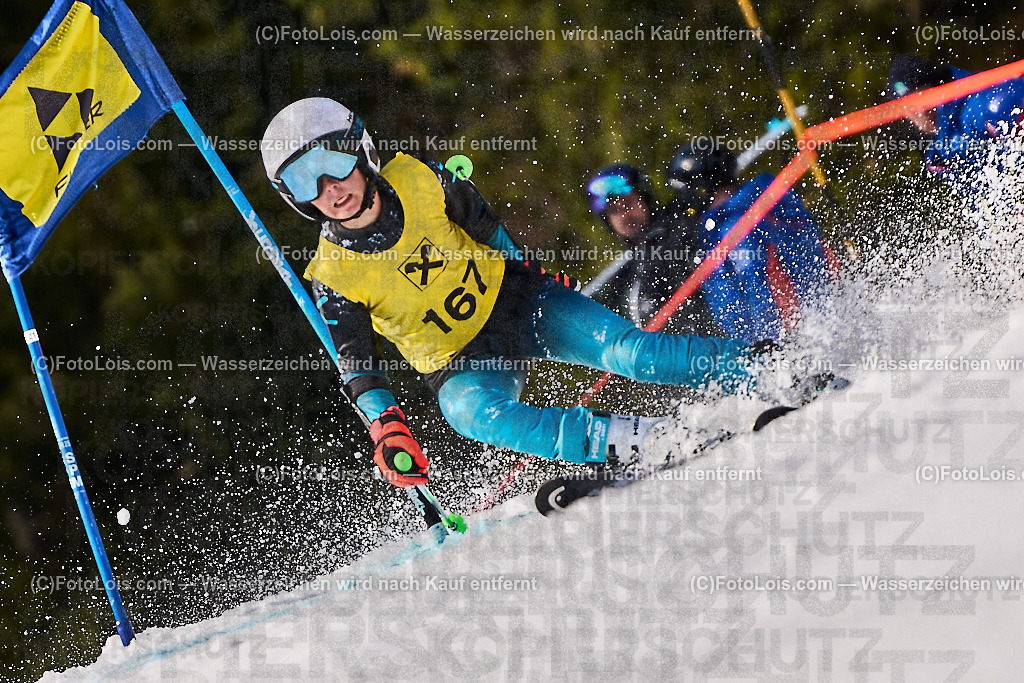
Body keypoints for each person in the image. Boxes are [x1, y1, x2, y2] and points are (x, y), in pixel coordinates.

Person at [259, 98, 777, 491]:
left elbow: (483, 224)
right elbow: (358, 366)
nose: (328, 187)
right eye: (305, 181)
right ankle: (633, 441)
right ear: (295, 199)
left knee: (630, 352)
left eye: (332, 162)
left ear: (361, 150)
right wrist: (386, 426)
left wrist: (530, 268)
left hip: (520, 304)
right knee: (469, 415)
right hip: (463, 362)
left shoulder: (416, 177)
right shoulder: (333, 274)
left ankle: (768, 370)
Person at [670, 142, 837, 344]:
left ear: (700, 189)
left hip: (793, 340)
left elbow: (755, 283)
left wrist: (763, 347)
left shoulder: (736, 227)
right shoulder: (761, 203)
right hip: (822, 320)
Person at [584, 163, 723, 336]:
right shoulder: (626, 273)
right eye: (614, 211)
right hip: (672, 356)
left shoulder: (678, 227)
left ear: (644, 198)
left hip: (714, 343)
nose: (625, 215)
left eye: (628, 203)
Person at [888, 54, 1024, 175]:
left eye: (922, 100)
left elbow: (1001, 99)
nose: (921, 113)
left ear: (936, 87)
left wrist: (1004, 112)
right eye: (910, 108)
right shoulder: (936, 154)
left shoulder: (971, 108)